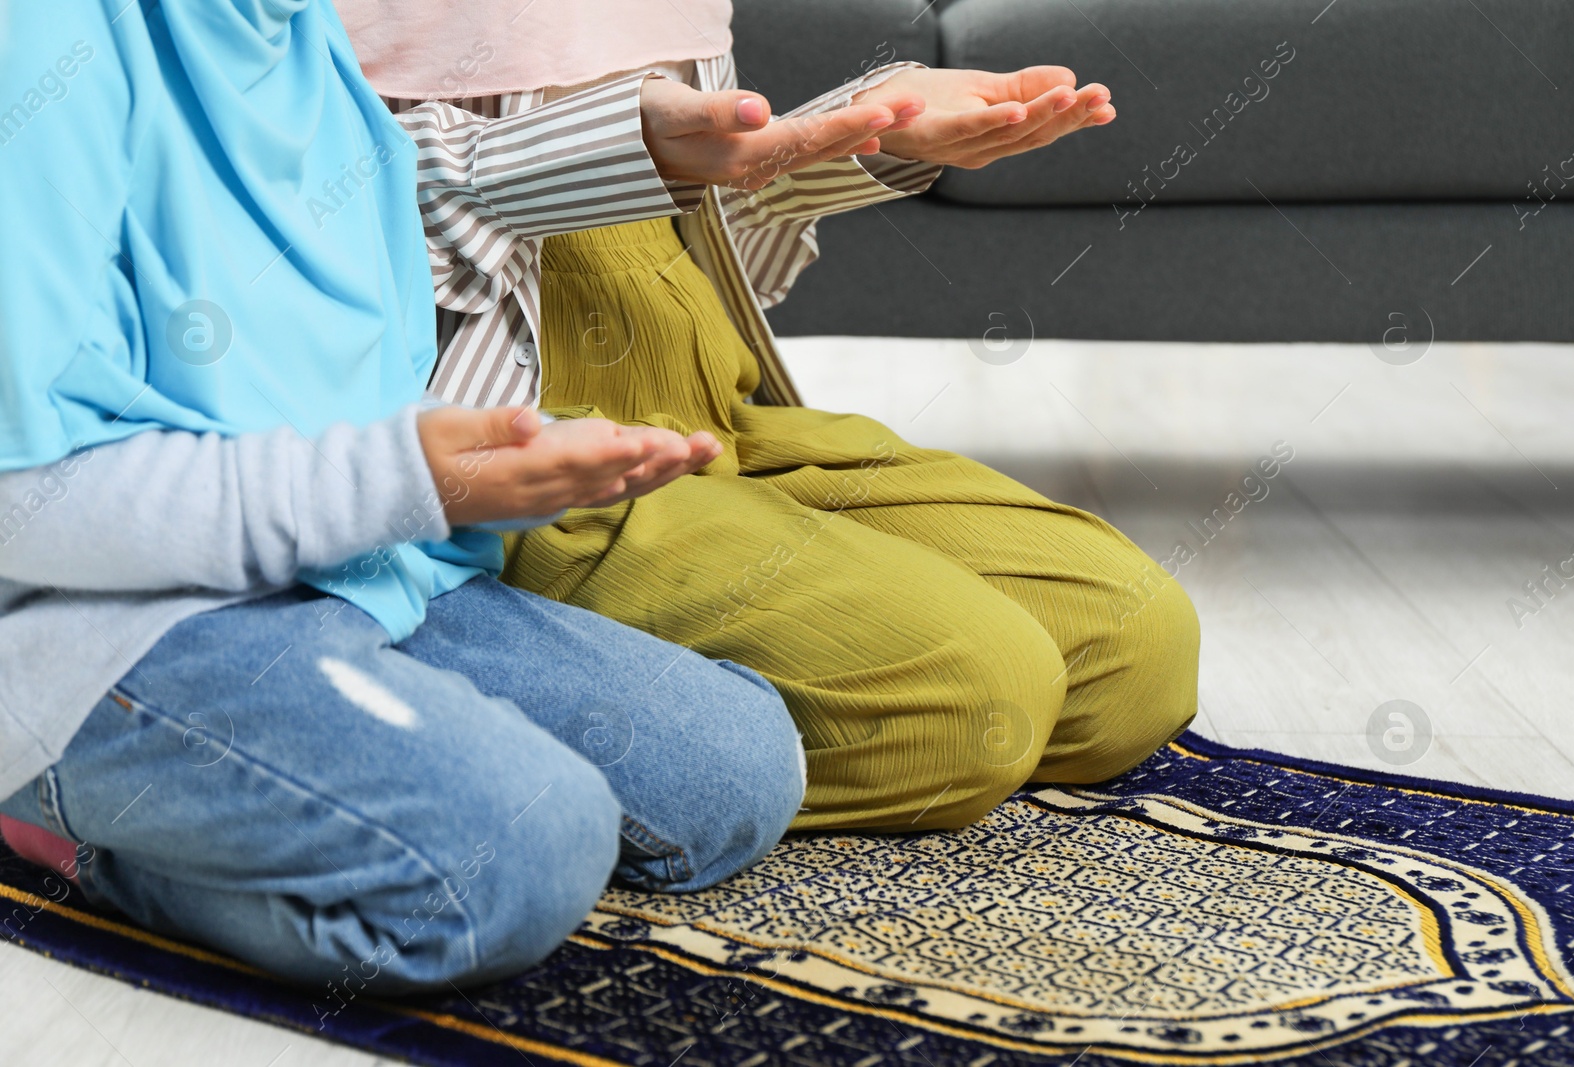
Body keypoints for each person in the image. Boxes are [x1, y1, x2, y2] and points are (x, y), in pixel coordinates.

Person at [0, 0, 805, 991]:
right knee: (519, 854)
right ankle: (67, 830)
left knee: (733, 766)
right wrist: (408, 478)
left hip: (344, 576)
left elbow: (331, 391)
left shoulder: (299, 38)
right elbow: (24, 494)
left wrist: (507, 467)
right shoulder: (39, 42)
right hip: (102, 627)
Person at [337, 0, 1201, 833]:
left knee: (1134, 653)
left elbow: (709, 228)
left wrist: (861, 132)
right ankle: (400, 726)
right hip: (510, 446)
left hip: (715, 413)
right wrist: (614, 147)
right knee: (972, 704)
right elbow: (288, 209)